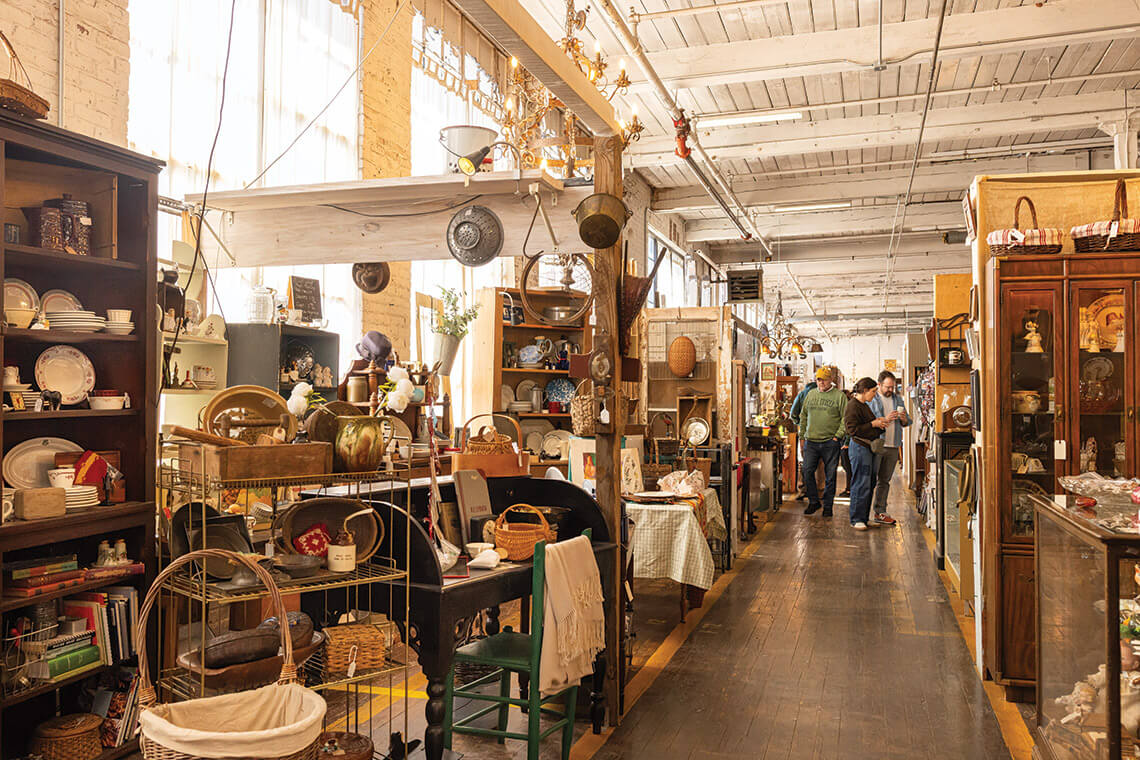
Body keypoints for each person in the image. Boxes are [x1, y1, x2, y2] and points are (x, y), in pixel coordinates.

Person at [797, 367, 847, 517]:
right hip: (811, 442)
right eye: (819, 379)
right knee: (807, 471)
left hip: (830, 442)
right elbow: (803, 416)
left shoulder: (839, 396)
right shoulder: (811, 395)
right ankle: (814, 501)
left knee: (830, 475)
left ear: (831, 380)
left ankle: (828, 506)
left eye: (824, 379)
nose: (821, 382)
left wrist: (837, 436)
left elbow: (845, 418)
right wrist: (802, 436)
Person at [844, 376, 890, 531]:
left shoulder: (864, 405)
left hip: (868, 449)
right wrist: (873, 423)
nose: (874, 394)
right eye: (873, 391)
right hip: (859, 448)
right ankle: (856, 518)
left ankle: (863, 517)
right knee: (860, 482)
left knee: (869, 483)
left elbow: (868, 426)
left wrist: (880, 423)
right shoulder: (853, 405)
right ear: (864, 391)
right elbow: (852, 430)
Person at [867, 370, 911, 526]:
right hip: (878, 444)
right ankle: (864, 513)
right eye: (887, 387)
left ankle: (880, 512)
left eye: (893, 387)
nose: (891, 390)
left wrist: (904, 418)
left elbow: (908, 422)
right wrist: (885, 419)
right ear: (879, 385)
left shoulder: (898, 399)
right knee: (870, 479)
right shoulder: (872, 399)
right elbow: (869, 421)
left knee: (885, 480)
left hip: (893, 445)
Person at [789, 380, 816, 501]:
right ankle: (819, 491)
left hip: (805, 434)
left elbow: (793, 414)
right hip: (824, 434)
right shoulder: (825, 394)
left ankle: (803, 489)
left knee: (804, 462)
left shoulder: (802, 394)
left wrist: (799, 423)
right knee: (820, 465)